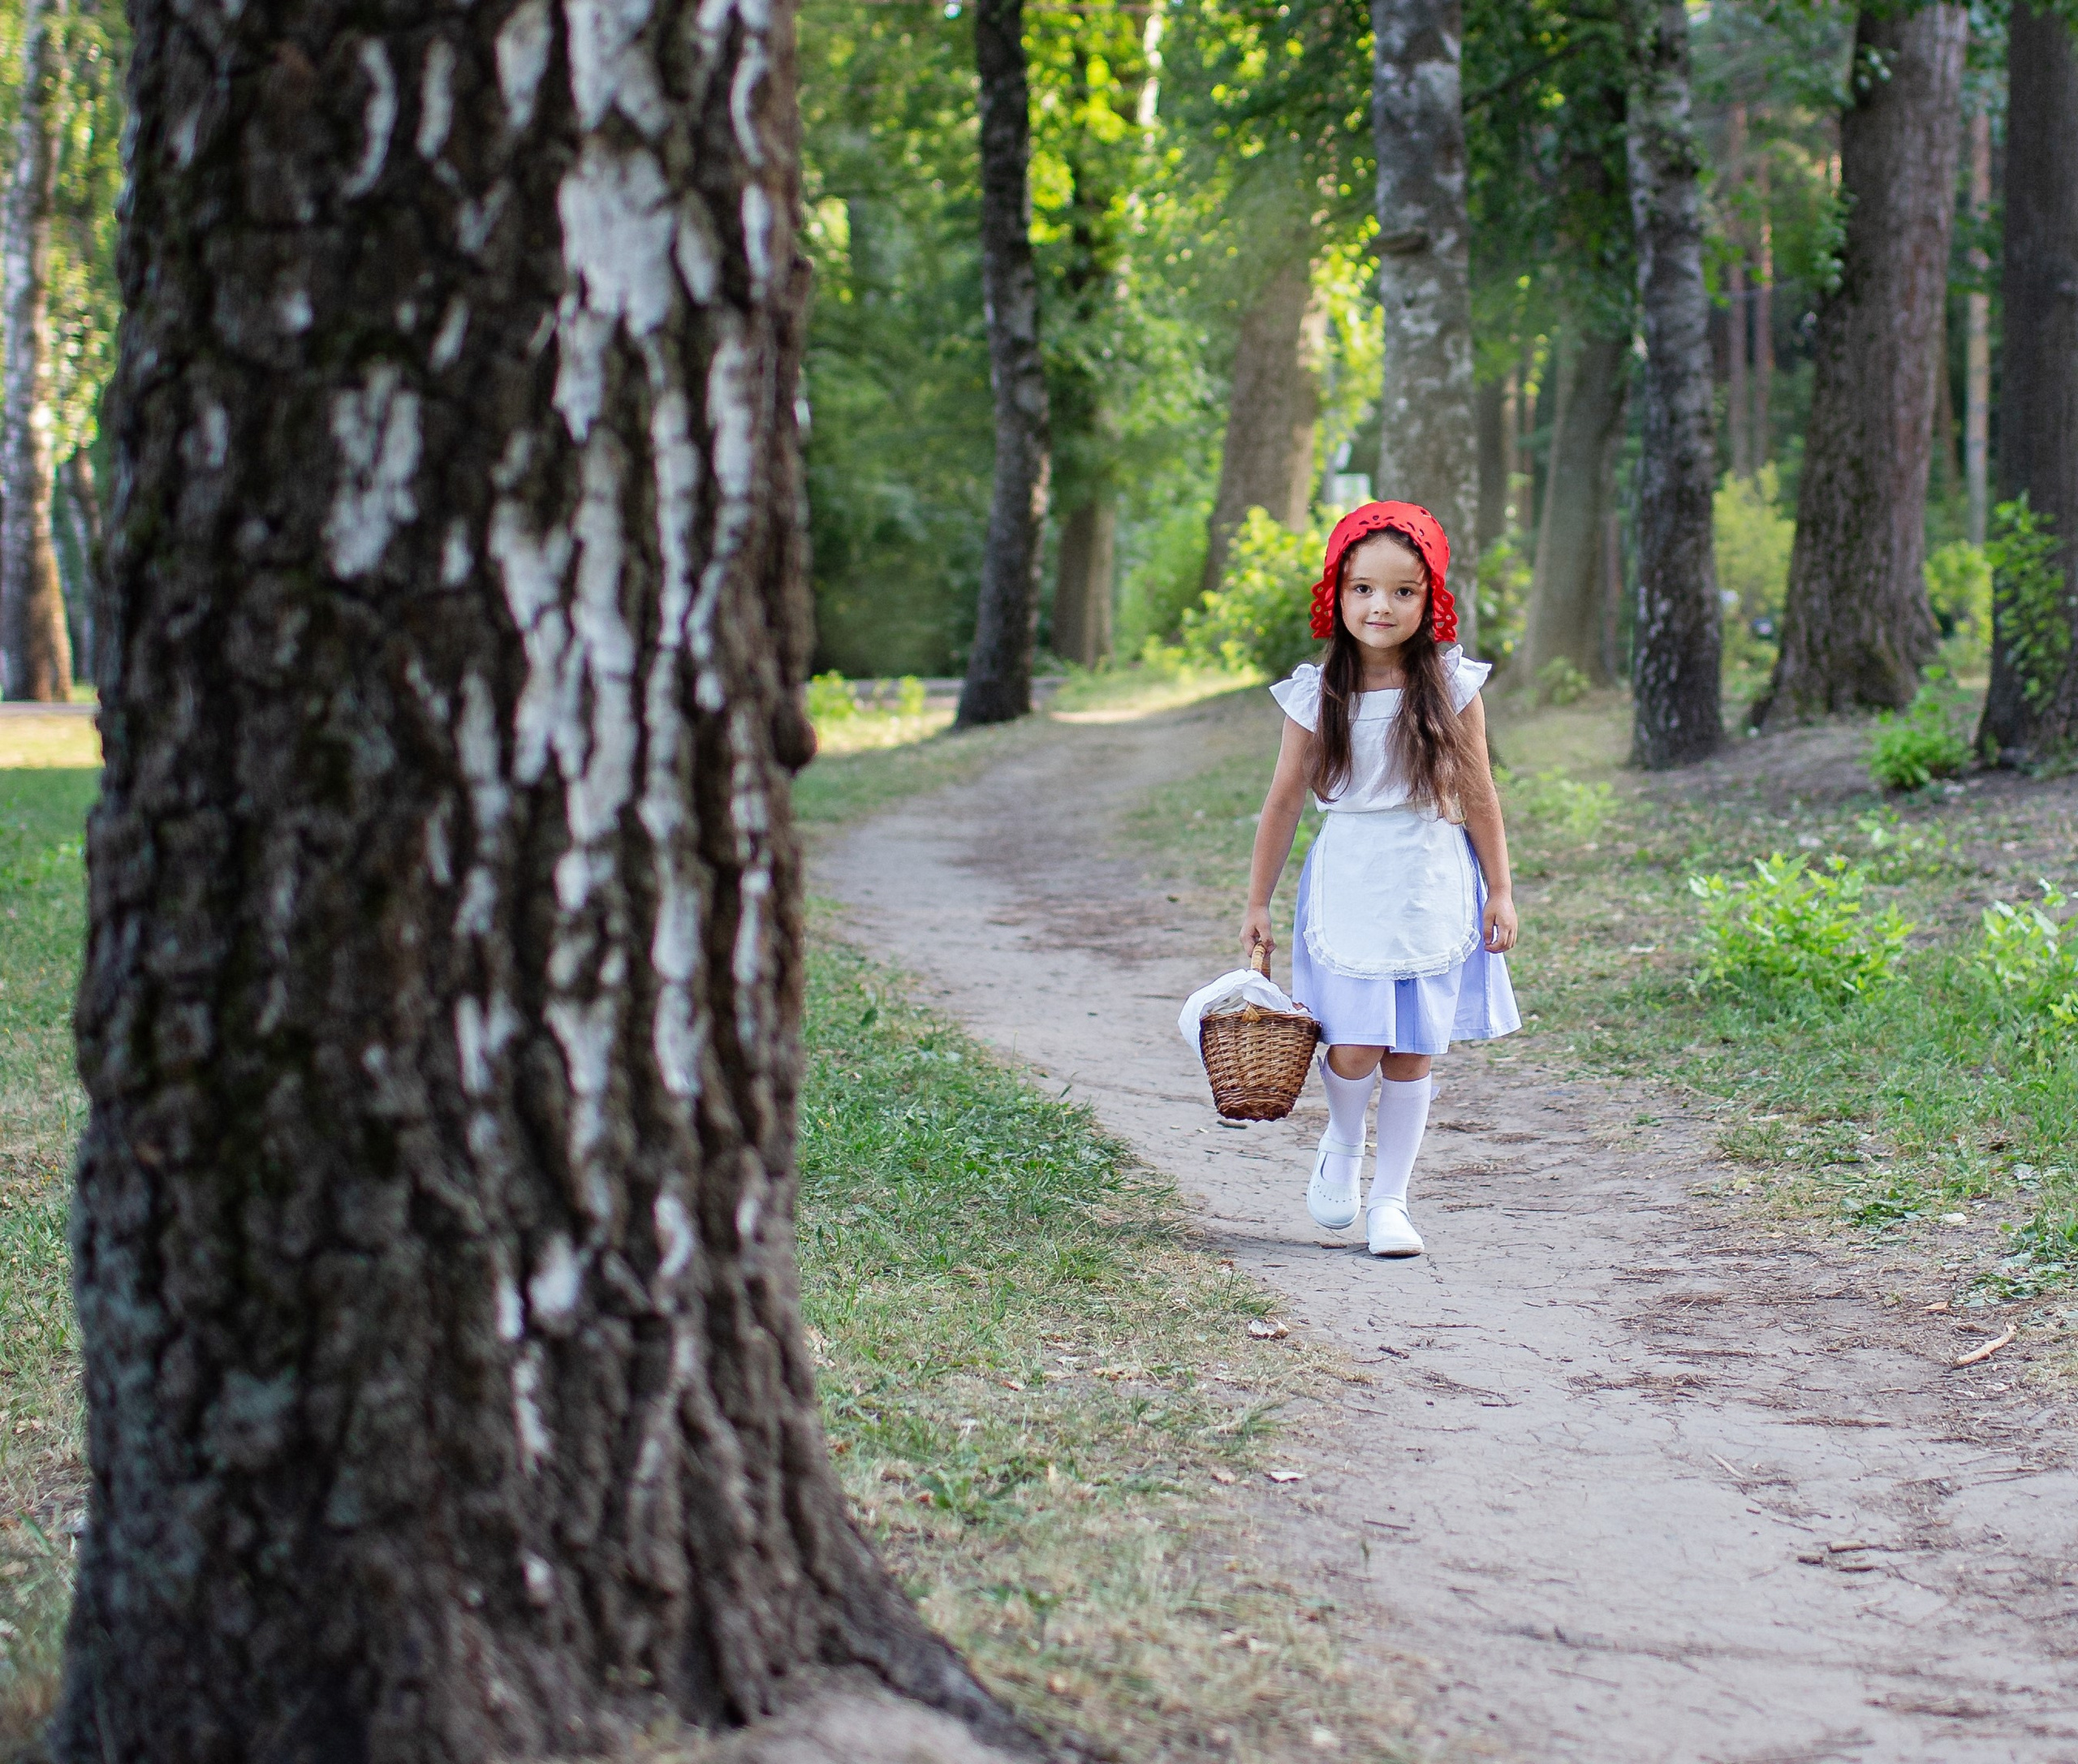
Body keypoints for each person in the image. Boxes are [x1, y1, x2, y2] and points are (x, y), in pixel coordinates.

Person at [1239, 502, 1520, 1259]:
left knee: (1412, 1052)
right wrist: (1258, 900)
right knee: (1356, 1046)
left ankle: (1391, 1201)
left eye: (1403, 591)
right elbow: (1284, 800)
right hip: (1351, 879)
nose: (1381, 606)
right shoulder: (1317, 694)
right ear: (1338, 592)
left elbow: (1480, 792)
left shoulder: (1452, 686)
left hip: (1429, 876)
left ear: (1431, 600)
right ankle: (1342, 1139)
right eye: (1363, 588)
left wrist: (1499, 887)